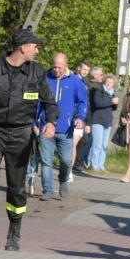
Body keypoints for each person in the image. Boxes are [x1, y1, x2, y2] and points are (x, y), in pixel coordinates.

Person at [0, 29, 59, 251]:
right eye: (35, 46)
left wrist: (50, 122)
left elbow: (50, 103)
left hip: (21, 136)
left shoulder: (37, 72)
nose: (37, 50)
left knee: (16, 187)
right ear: (23, 47)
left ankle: (13, 233)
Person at [38, 53, 88, 201]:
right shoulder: (45, 79)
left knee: (66, 161)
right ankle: (47, 191)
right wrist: (35, 122)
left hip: (66, 130)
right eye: (54, 66)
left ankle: (63, 180)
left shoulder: (74, 81)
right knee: (46, 161)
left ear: (66, 65)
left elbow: (82, 102)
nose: (56, 70)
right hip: (46, 127)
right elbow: (37, 102)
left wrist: (80, 118)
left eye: (59, 67)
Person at [89, 73, 120, 173]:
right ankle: (94, 165)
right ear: (104, 82)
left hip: (107, 121)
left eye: (111, 82)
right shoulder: (99, 91)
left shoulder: (112, 93)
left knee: (104, 145)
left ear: (113, 84)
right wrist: (111, 101)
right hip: (98, 120)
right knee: (97, 144)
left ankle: (101, 165)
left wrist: (115, 103)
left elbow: (113, 108)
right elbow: (98, 103)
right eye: (107, 82)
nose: (109, 84)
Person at [71, 59, 92, 174]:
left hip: (81, 116)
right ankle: (69, 167)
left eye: (87, 70)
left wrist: (88, 121)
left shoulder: (85, 82)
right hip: (73, 115)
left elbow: (86, 102)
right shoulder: (73, 79)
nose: (85, 72)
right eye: (84, 69)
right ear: (79, 68)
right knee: (72, 144)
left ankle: (74, 165)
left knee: (80, 142)